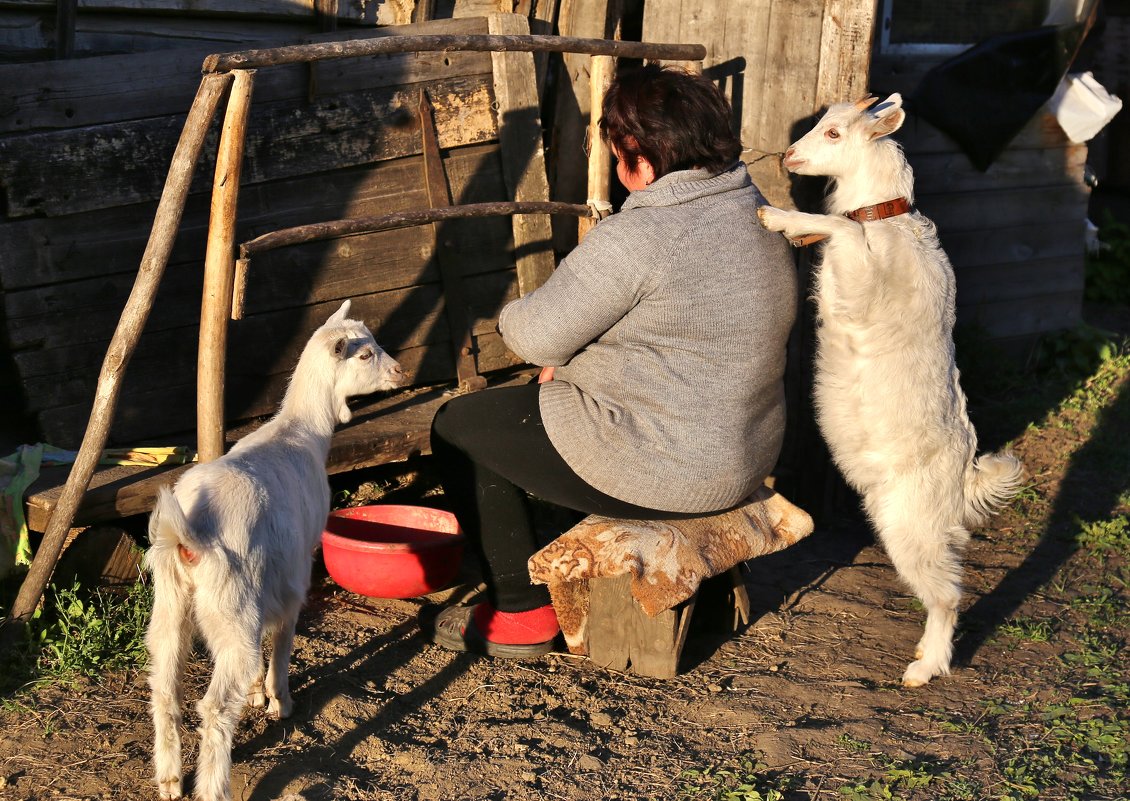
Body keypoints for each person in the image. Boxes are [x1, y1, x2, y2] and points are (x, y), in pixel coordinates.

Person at [428, 63, 797, 658]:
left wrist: (528, 328)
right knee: (544, 397)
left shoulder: (643, 235)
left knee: (459, 428)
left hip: (674, 468)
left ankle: (520, 613)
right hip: (744, 453)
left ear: (641, 162)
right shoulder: (756, 213)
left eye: (621, 160)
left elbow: (535, 337)